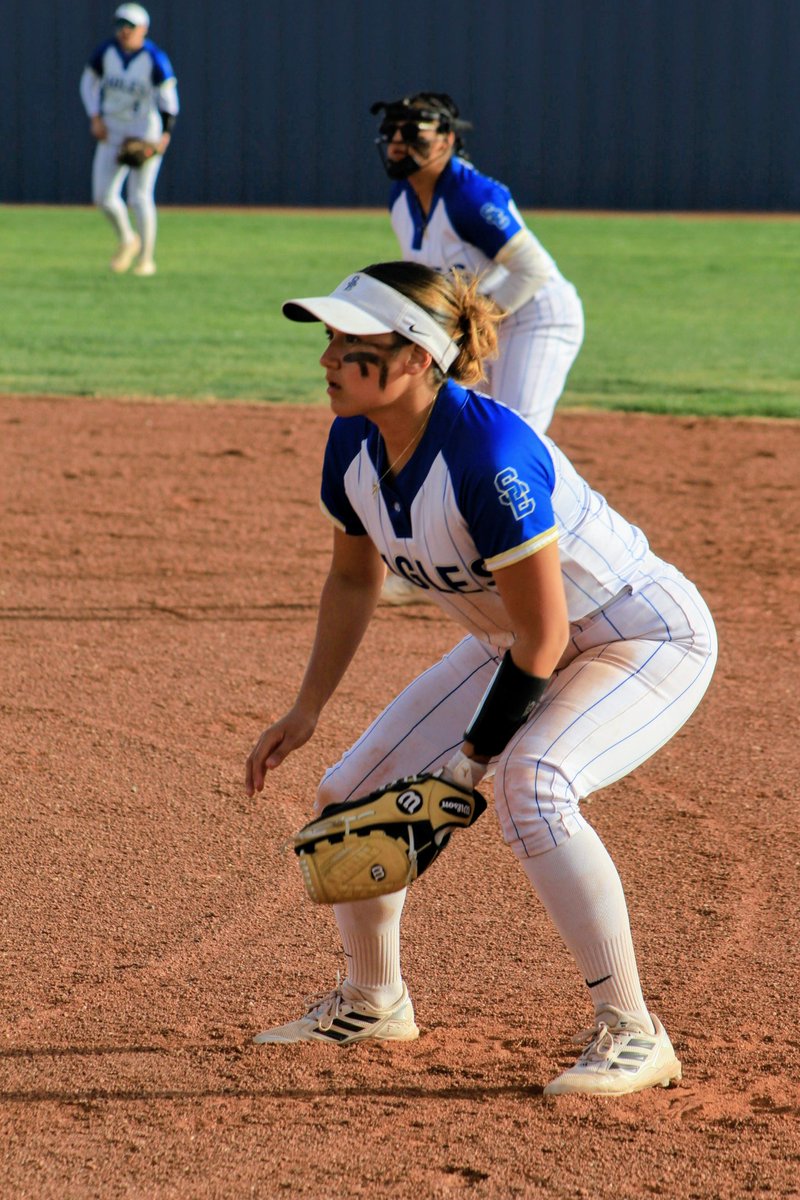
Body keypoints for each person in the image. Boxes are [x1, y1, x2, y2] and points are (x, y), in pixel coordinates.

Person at [245, 261, 718, 1096]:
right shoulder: (354, 438)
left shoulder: (489, 453)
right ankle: (374, 999)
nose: (328, 357)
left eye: (354, 343)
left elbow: (545, 637)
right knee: (348, 795)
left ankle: (635, 1031)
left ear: (418, 357)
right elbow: (354, 580)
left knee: (533, 783)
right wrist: (307, 707)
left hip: (640, 635)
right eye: (329, 338)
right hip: (521, 641)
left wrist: (469, 762)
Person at [370, 92, 584, 605]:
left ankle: (558, 566)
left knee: (514, 436)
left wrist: (470, 327)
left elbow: (534, 271)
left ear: (445, 140)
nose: (399, 142)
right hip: (479, 322)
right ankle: (441, 559)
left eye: (413, 133)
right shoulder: (404, 202)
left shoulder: (469, 195)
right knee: (441, 426)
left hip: (537, 317)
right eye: (394, 132)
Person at [79, 4, 179, 277]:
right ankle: (127, 239)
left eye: (130, 26)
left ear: (143, 29)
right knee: (102, 196)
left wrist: (164, 135)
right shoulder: (106, 52)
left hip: (144, 132)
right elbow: (87, 82)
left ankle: (146, 259)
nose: (124, 31)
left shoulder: (154, 58)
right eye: (121, 25)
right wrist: (95, 116)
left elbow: (169, 100)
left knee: (139, 197)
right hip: (112, 129)